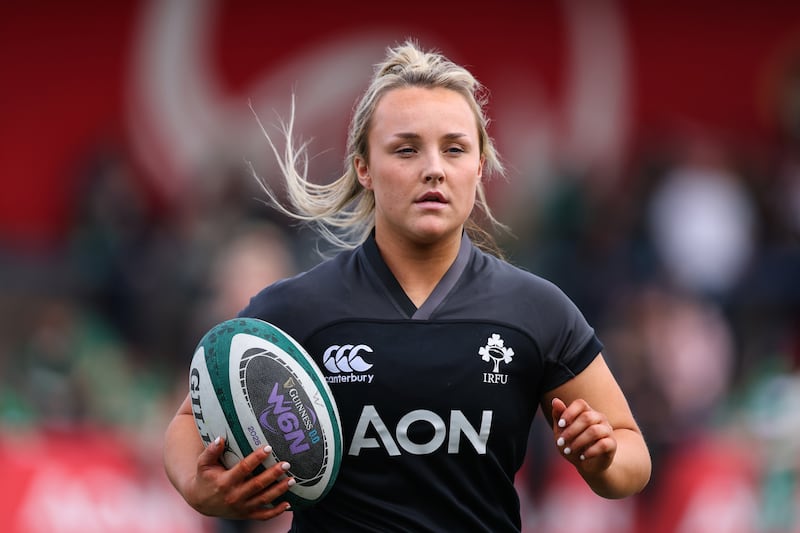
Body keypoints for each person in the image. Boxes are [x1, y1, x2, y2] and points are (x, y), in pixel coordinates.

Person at [163, 39, 651, 532]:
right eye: (406, 149)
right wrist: (198, 487)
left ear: (479, 167)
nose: (433, 168)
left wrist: (603, 459)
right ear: (364, 168)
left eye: (455, 149)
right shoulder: (296, 310)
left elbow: (632, 456)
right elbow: (187, 423)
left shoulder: (537, 310)